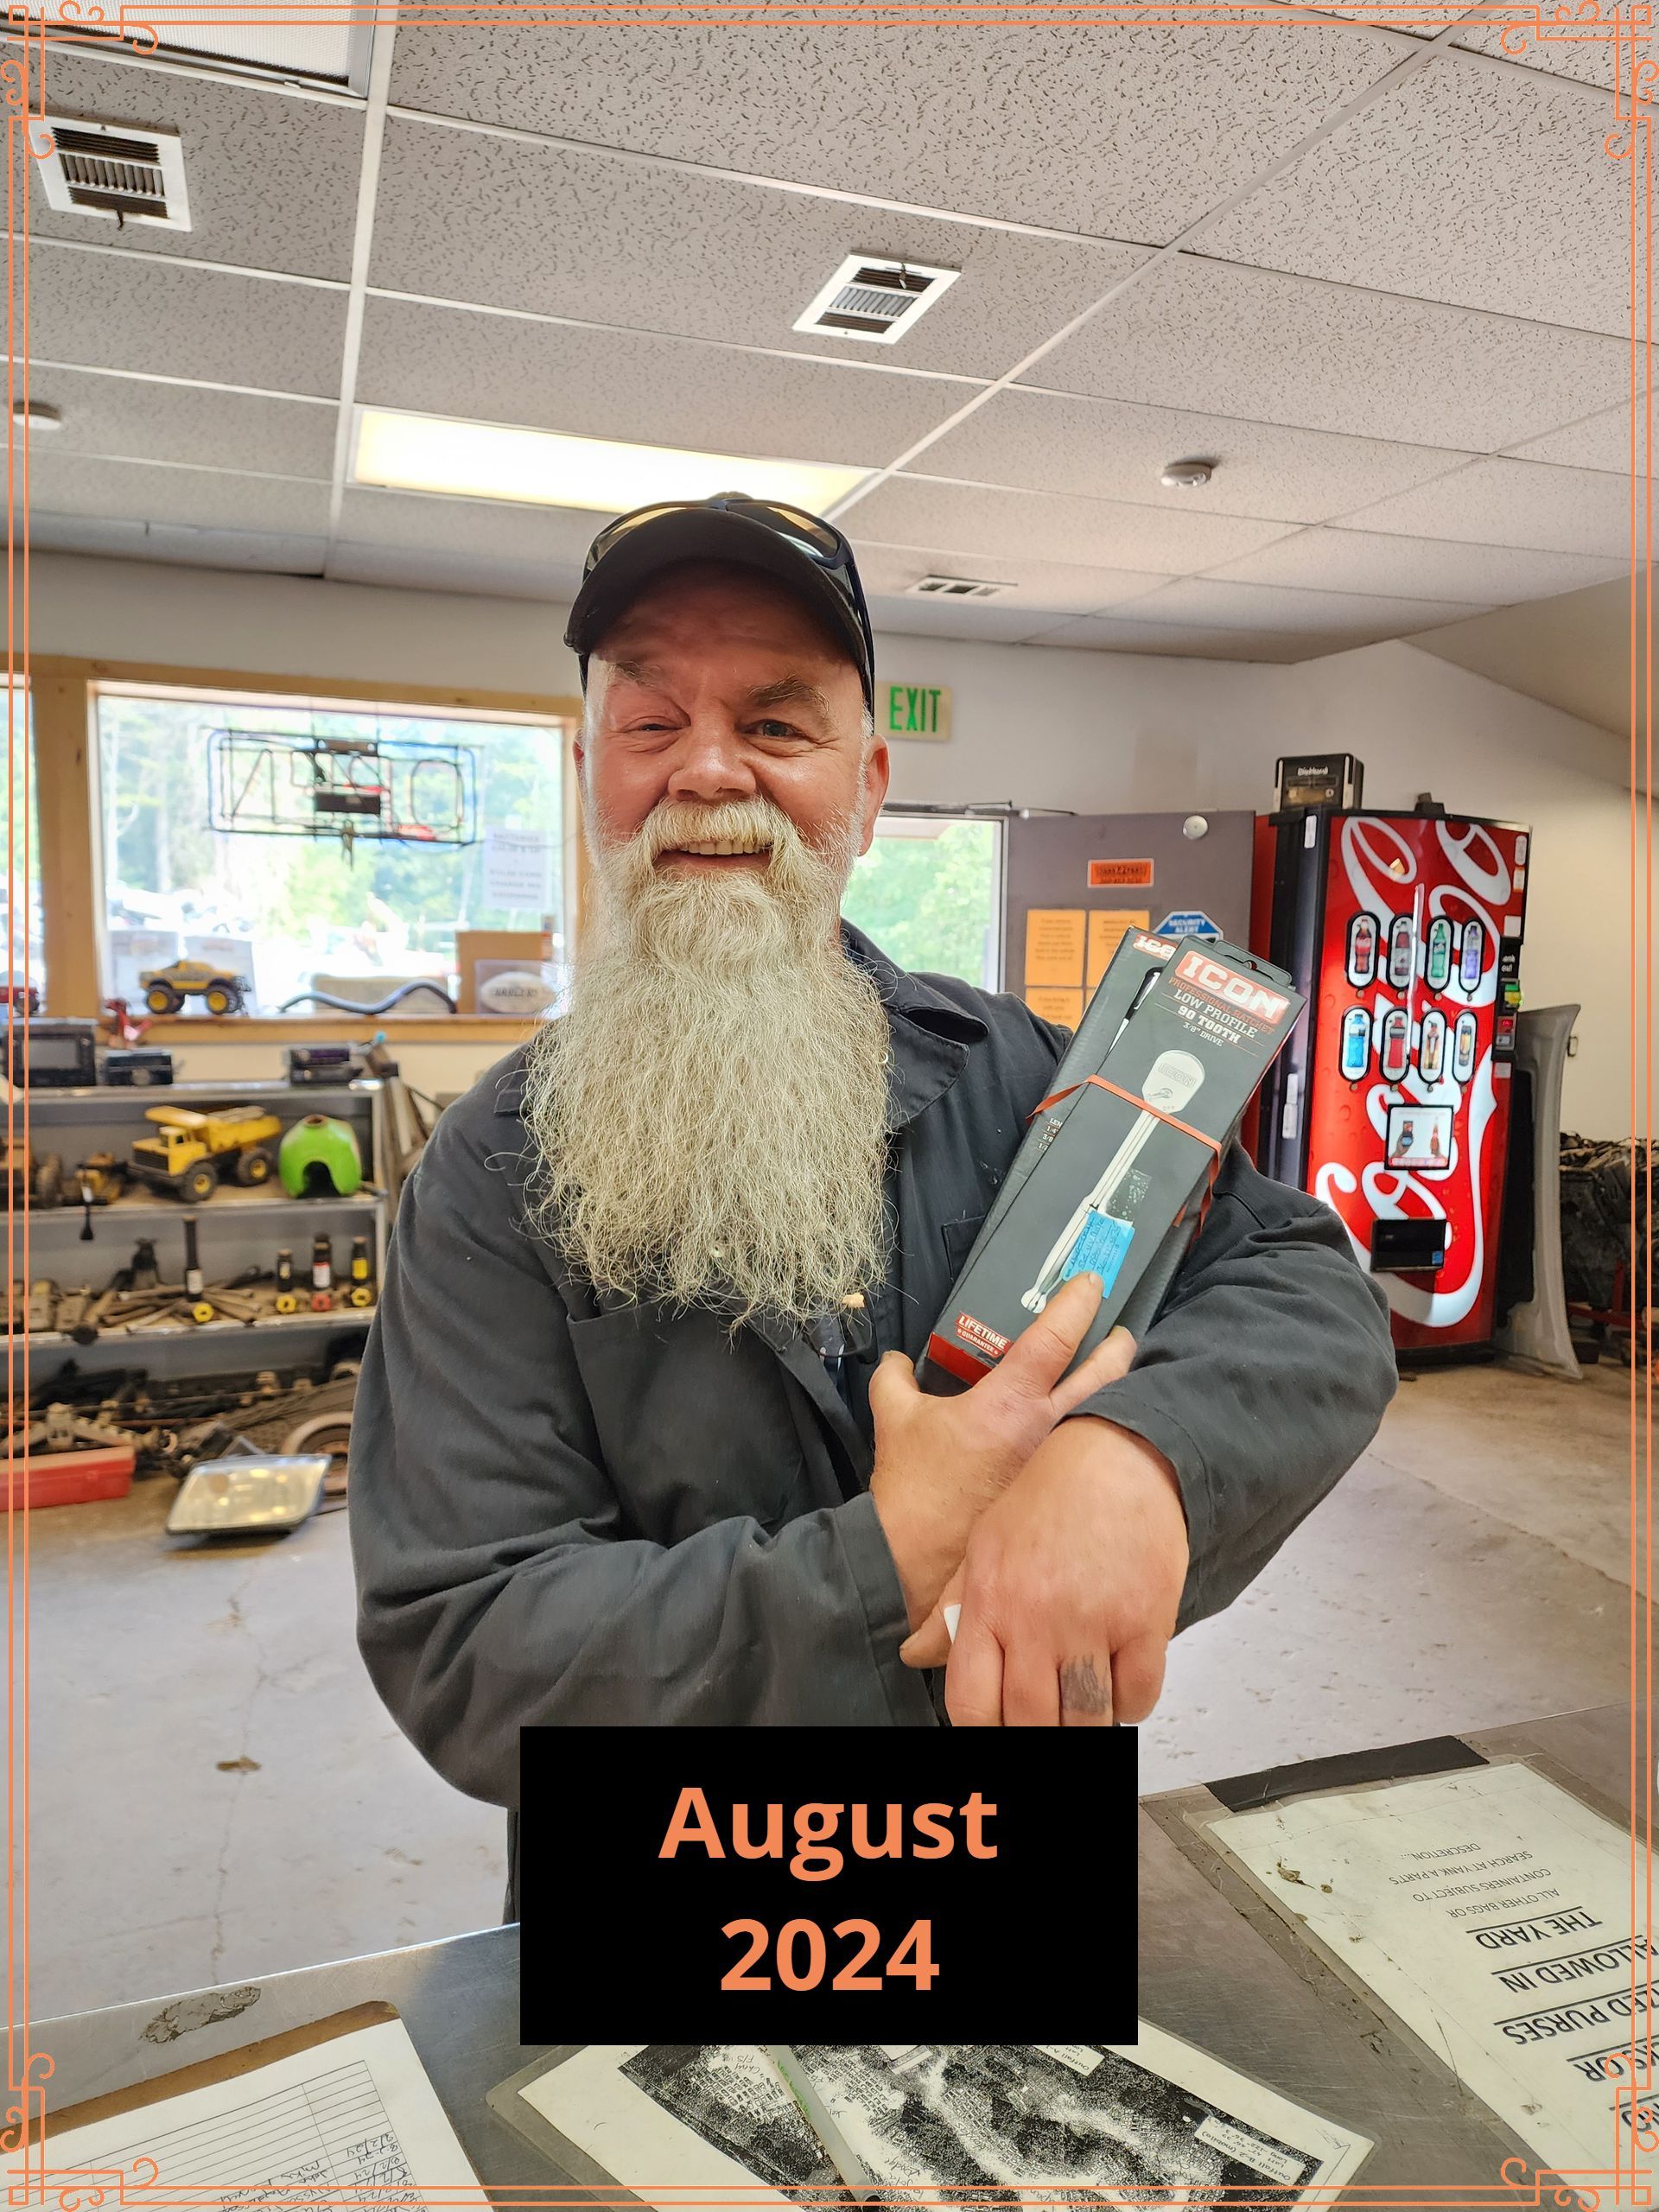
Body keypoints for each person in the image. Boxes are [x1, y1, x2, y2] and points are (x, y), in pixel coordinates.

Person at [349, 493, 1395, 1801]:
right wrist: (894, 1549)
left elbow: (1306, 1290)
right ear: (592, 776)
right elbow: (468, 1649)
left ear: (870, 786)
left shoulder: (1026, 1073)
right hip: (670, 1887)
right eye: (652, 723)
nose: (710, 772)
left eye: (777, 724)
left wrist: (1140, 1458)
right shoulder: (496, 1166)